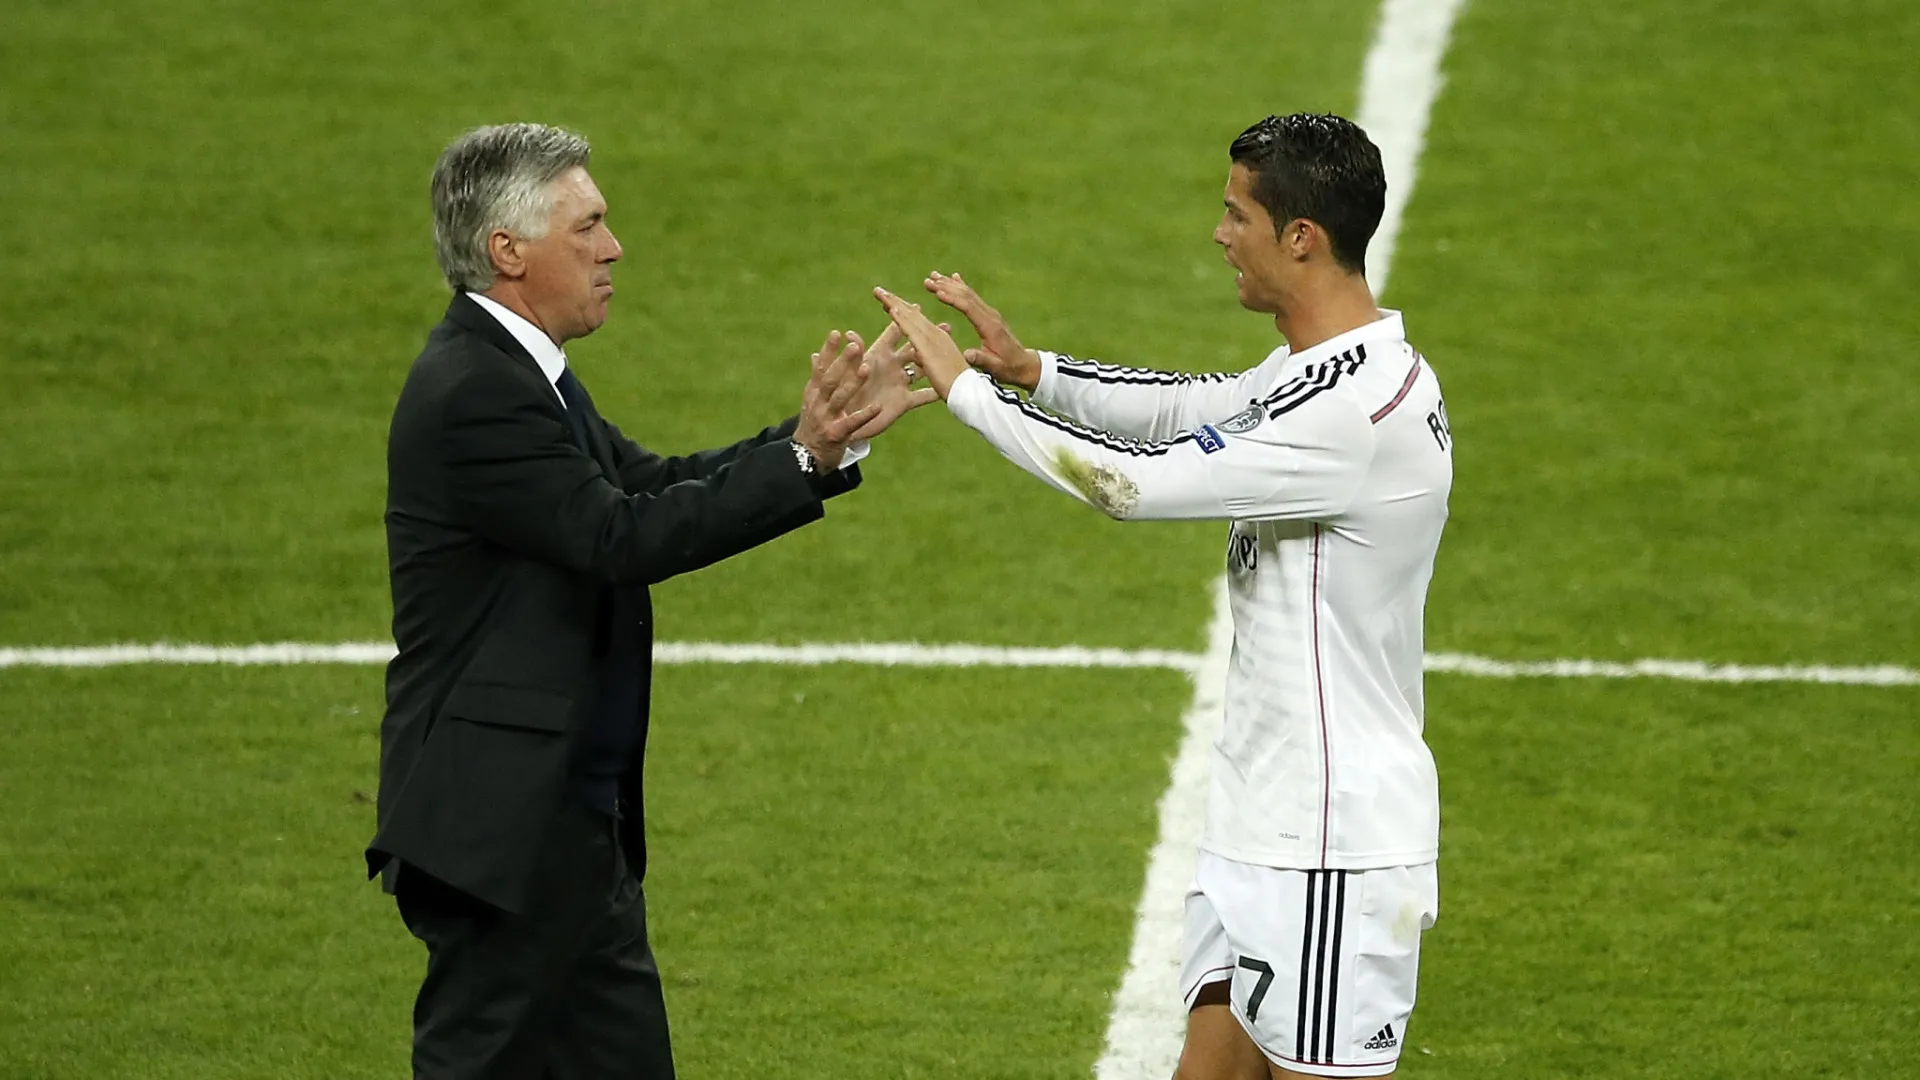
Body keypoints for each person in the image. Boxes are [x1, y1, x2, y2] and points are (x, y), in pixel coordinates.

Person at [878, 113, 1452, 1079]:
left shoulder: (1352, 413)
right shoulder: (1323, 370)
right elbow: (1194, 407)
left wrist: (971, 400)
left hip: (1330, 842)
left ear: (1300, 237)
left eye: (1236, 216)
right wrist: (1034, 373)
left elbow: (1127, 485)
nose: (1219, 235)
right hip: (1262, 820)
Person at [366, 122, 929, 1079]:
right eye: (587, 226)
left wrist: (820, 438)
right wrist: (801, 458)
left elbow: (653, 484)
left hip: (562, 823)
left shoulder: (526, 374)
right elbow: (618, 537)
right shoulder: (475, 390)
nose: (614, 248)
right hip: (503, 826)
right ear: (509, 250)